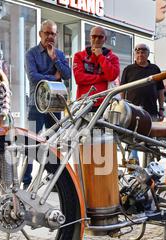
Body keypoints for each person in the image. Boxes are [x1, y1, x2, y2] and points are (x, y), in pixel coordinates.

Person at [23, 19, 71, 189]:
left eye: (53, 33)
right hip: (35, 106)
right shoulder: (31, 54)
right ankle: (26, 181)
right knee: (30, 144)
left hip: (55, 107)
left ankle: (54, 180)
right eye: (47, 33)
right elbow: (33, 76)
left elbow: (67, 75)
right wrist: (53, 77)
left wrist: (54, 59)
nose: (50, 36)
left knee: (54, 145)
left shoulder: (59, 53)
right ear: (40, 34)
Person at [73, 26, 120, 106]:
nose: (97, 39)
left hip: (105, 104)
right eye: (94, 36)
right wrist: (102, 77)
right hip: (84, 102)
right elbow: (79, 78)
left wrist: (100, 56)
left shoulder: (113, 58)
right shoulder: (79, 56)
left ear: (105, 39)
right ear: (90, 37)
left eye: (100, 37)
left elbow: (112, 76)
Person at [120, 43, 165, 121]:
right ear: (134, 55)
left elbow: (160, 90)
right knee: (131, 132)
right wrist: (123, 107)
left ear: (148, 54)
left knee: (151, 132)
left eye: (143, 52)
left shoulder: (155, 69)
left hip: (151, 112)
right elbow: (122, 89)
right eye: (138, 53)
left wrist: (161, 109)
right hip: (132, 111)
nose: (140, 55)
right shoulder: (128, 69)